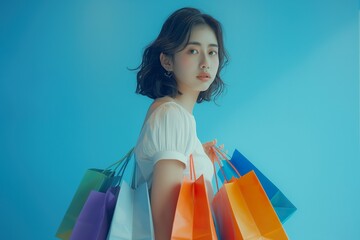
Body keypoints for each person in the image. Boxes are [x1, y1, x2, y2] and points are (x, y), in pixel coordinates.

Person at [133, 7, 228, 240]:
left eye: (212, 52)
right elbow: (166, 227)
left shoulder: (168, 112)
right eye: (193, 50)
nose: (206, 62)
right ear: (167, 60)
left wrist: (198, 155)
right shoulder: (172, 116)